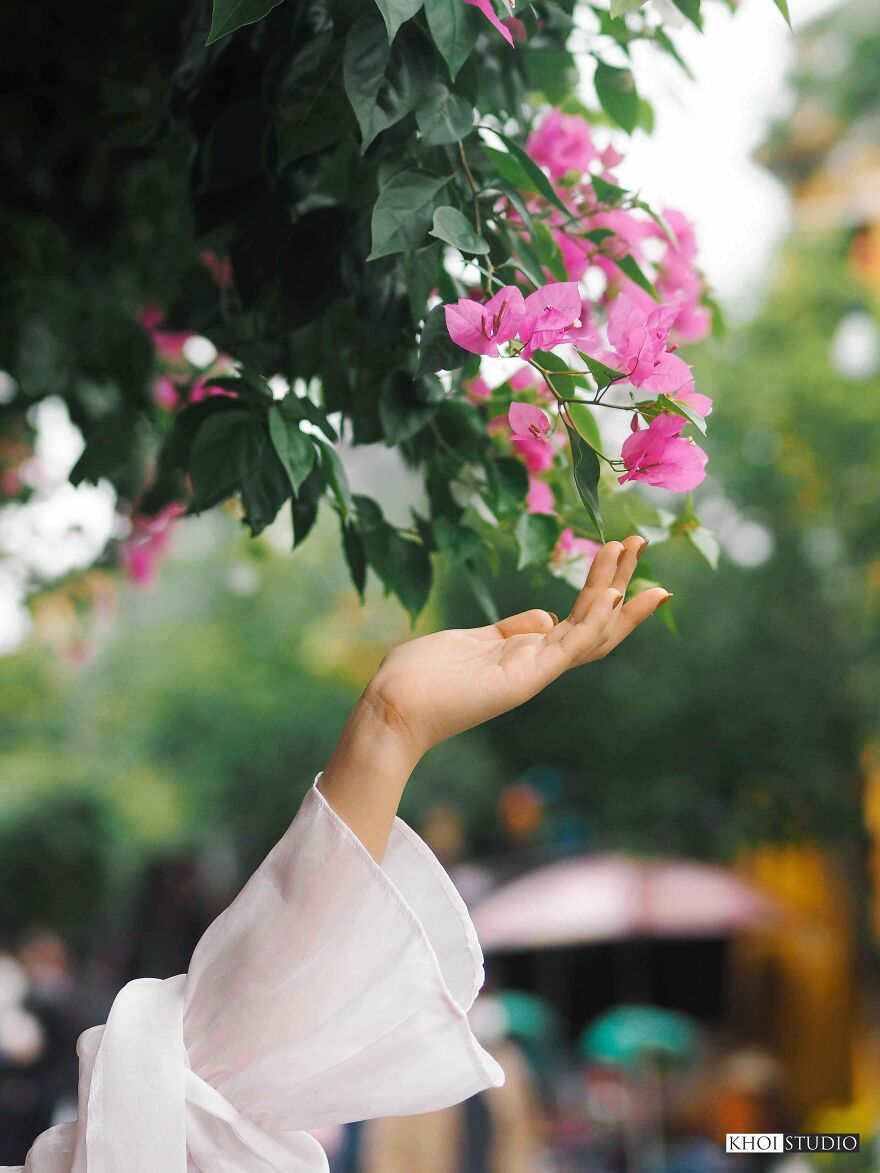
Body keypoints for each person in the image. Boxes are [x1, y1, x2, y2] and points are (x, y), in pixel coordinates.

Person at [3, 536, 667, 1173]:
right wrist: (387, 733)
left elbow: (184, 1109)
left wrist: (387, 731)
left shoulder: (502, 1078)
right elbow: (194, 1109)